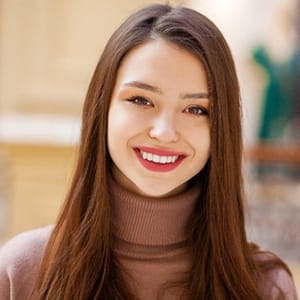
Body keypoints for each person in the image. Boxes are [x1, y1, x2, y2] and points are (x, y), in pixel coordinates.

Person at [0, 3, 298, 300]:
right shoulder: (20, 272)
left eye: (195, 109)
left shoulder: (263, 288)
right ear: (102, 108)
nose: (165, 132)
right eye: (141, 100)